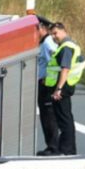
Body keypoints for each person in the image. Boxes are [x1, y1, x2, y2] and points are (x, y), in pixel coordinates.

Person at [43, 23, 85, 156]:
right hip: (65, 86)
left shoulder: (66, 48)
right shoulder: (67, 46)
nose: (54, 37)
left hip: (63, 87)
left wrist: (58, 89)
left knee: (64, 120)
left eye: (55, 33)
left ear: (63, 31)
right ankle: (68, 149)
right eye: (52, 35)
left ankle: (67, 150)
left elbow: (65, 69)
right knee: (65, 118)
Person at [35, 17, 59, 155]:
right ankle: (51, 145)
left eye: (36, 29)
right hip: (45, 83)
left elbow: (54, 63)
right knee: (45, 115)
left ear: (42, 28)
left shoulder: (48, 43)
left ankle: (53, 147)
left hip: (47, 85)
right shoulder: (44, 43)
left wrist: (48, 80)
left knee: (48, 116)